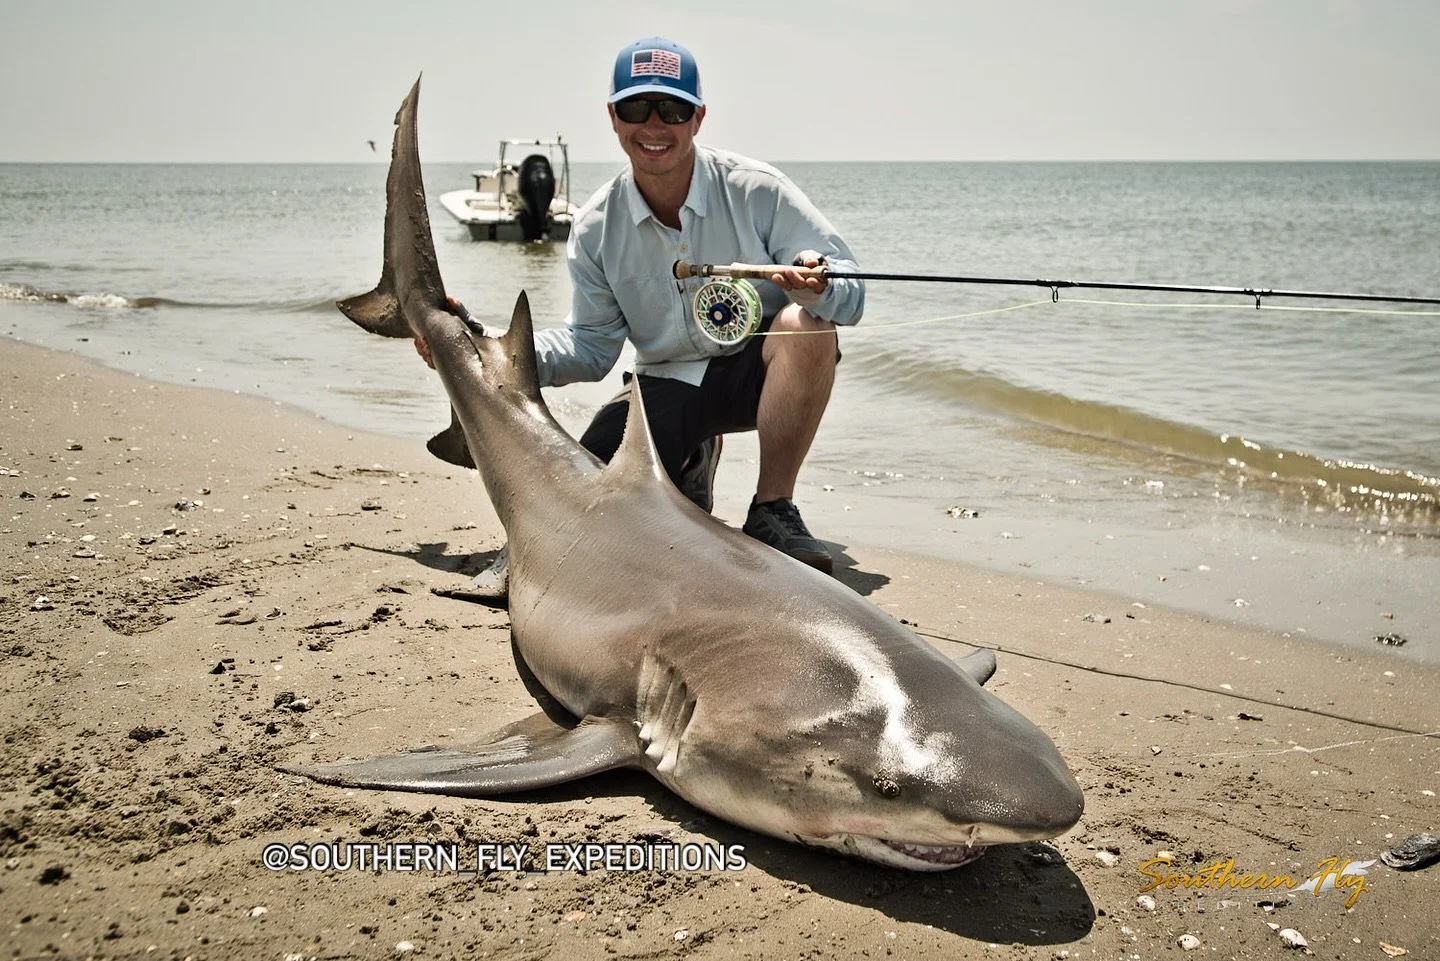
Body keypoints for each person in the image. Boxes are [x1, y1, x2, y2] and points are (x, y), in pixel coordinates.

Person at [418, 36, 864, 583]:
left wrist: (817, 280)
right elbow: (590, 349)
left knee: (808, 326)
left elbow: (852, 291)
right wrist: (479, 344)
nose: (654, 126)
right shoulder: (596, 226)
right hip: (664, 385)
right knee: (586, 521)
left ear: (698, 118)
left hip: (761, 377)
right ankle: (686, 464)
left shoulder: (757, 191)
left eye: (673, 109)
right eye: (636, 108)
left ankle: (772, 509)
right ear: (612, 116)